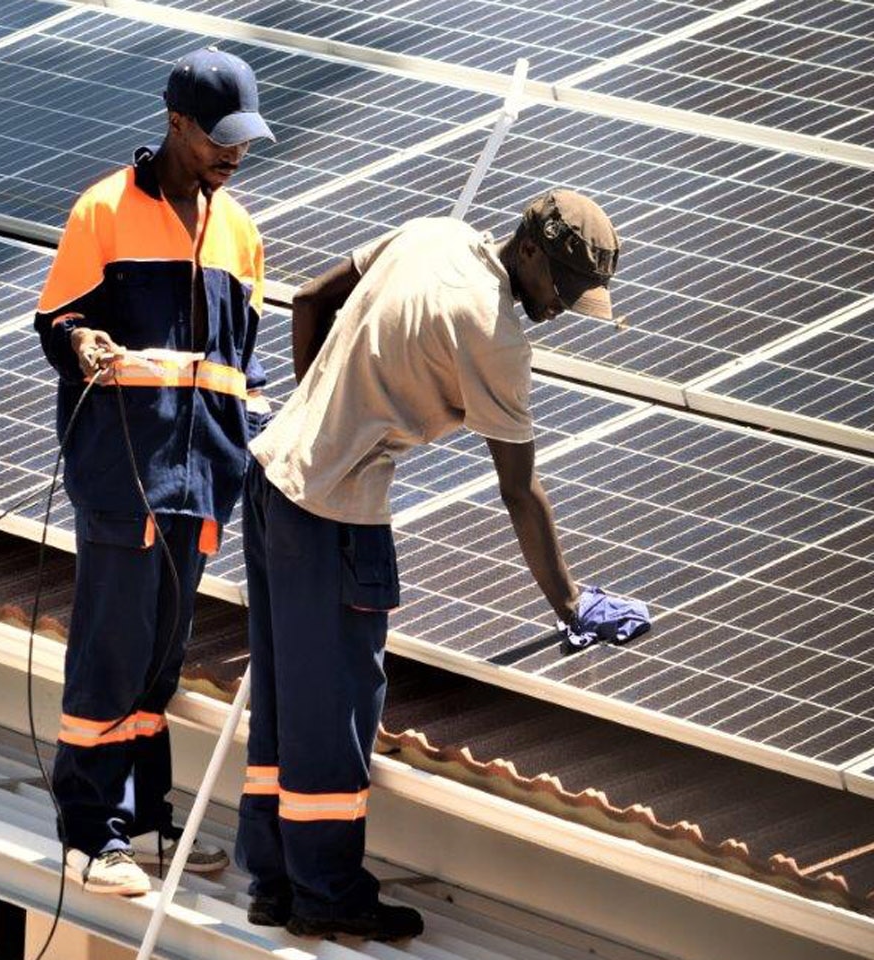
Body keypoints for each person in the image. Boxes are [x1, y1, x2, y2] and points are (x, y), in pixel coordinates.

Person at [236, 190, 652, 940]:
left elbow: (308, 299)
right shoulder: (495, 339)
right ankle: (325, 892)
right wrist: (571, 604)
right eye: (559, 286)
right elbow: (519, 491)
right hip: (332, 516)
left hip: (270, 482)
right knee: (336, 713)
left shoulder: (434, 234)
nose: (558, 310)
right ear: (527, 249)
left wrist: (315, 414)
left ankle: (274, 882)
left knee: (282, 702)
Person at [32, 47, 274, 897]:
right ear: (176, 122)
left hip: (205, 477)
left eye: (243, 139)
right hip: (124, 473)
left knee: (158, 665)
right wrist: (79, 342)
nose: (233, 153)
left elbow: (241, 365)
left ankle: (141, 823)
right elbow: (57, 320)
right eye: (218, 138)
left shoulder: (240, 231)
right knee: (110, 654)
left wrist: (254, 441)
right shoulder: (103, 210)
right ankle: (88, 835)